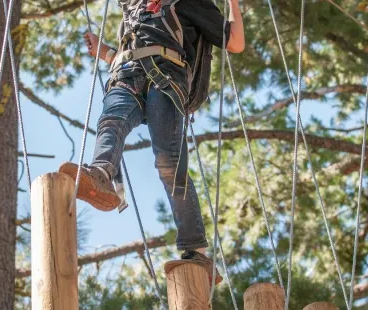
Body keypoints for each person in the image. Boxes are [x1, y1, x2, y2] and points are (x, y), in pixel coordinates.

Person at [59, 0, 245, 285]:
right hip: (127, 74)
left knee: (169, 163)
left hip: (166, 79)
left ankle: (196, 250)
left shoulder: (189, 3)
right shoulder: (132, 8)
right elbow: (129, 50)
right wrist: (105, 51)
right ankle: (100, 175)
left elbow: (234, 43)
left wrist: (233, 3)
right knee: (112, 121)